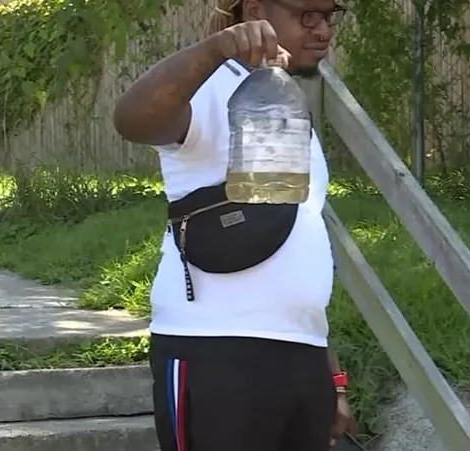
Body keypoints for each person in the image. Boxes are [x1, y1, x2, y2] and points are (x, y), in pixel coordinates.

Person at [112, 1, 355, 450]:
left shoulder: (279, 99)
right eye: (308, 15)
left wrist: (329, 373)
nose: (323, 30)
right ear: (258, 9)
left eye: (330, 16)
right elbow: (131, 119)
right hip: (215, 351)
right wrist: (215, 50)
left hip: (299, 356)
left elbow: (298, 243)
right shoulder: (209, 88)